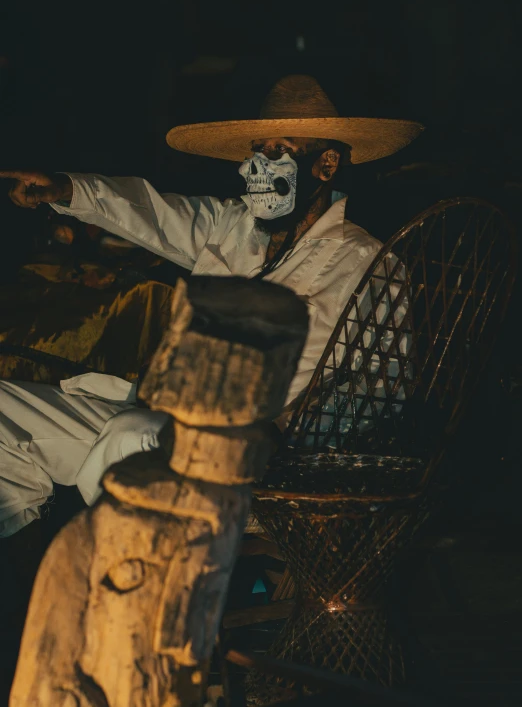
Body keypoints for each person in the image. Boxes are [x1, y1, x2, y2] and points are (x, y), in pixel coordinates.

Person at [0, 74, 423, 538]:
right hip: (162, 424)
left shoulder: (367, 265)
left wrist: (292, 441)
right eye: (258, 150)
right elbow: (154, 213)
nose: (262, 163)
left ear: (326, 162)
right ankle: (23, 555)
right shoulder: (231, 227)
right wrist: (64, 190)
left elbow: (380, 393)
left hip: (264, 469)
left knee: (134, 436)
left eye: (281, 150)